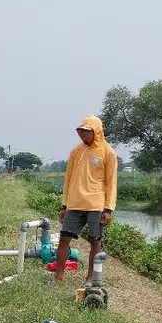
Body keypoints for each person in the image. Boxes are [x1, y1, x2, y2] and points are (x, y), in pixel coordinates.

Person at [54, 114, 118, 286]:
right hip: (75, 204)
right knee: (64, 239)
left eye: (87, 132)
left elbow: (111, 182)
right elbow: (68, 179)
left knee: (95, 240)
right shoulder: (76, 152)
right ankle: (58, 277)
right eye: (81, 131)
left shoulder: (108, 153)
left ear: (96, 132)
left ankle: (90, 278)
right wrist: (65, 204)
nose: (83, 135)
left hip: (96, 205)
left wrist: (108, 209)